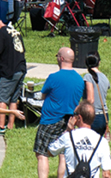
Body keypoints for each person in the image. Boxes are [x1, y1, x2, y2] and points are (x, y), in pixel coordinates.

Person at [36, 47, 87, 178]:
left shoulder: (53, 77)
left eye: (57, 56)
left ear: (61, 58)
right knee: (63, 155)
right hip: (69, 121)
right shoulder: (79, 80)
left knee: (42, 154)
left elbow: (43, 95)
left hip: (50, 119)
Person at [47, 102, 111, 178]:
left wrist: (67, 130)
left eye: (74, 114)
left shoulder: (68, 136)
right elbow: (106, 174)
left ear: (79, 118)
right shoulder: (102, 141)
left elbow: (50, 152)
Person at [0, 17, 26, 130]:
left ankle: (0, 126)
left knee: (1, 98)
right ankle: (10, 125)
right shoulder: (15, 31)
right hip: (21, 68)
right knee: (13, 99)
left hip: (9, 71)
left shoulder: (0, 33)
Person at [83, 53, 110, 136]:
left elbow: (90, 100)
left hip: (92, 116)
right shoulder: (105, 77)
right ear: (99, 62)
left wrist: (78, 110)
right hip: (103, 116)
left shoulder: (88, 77)